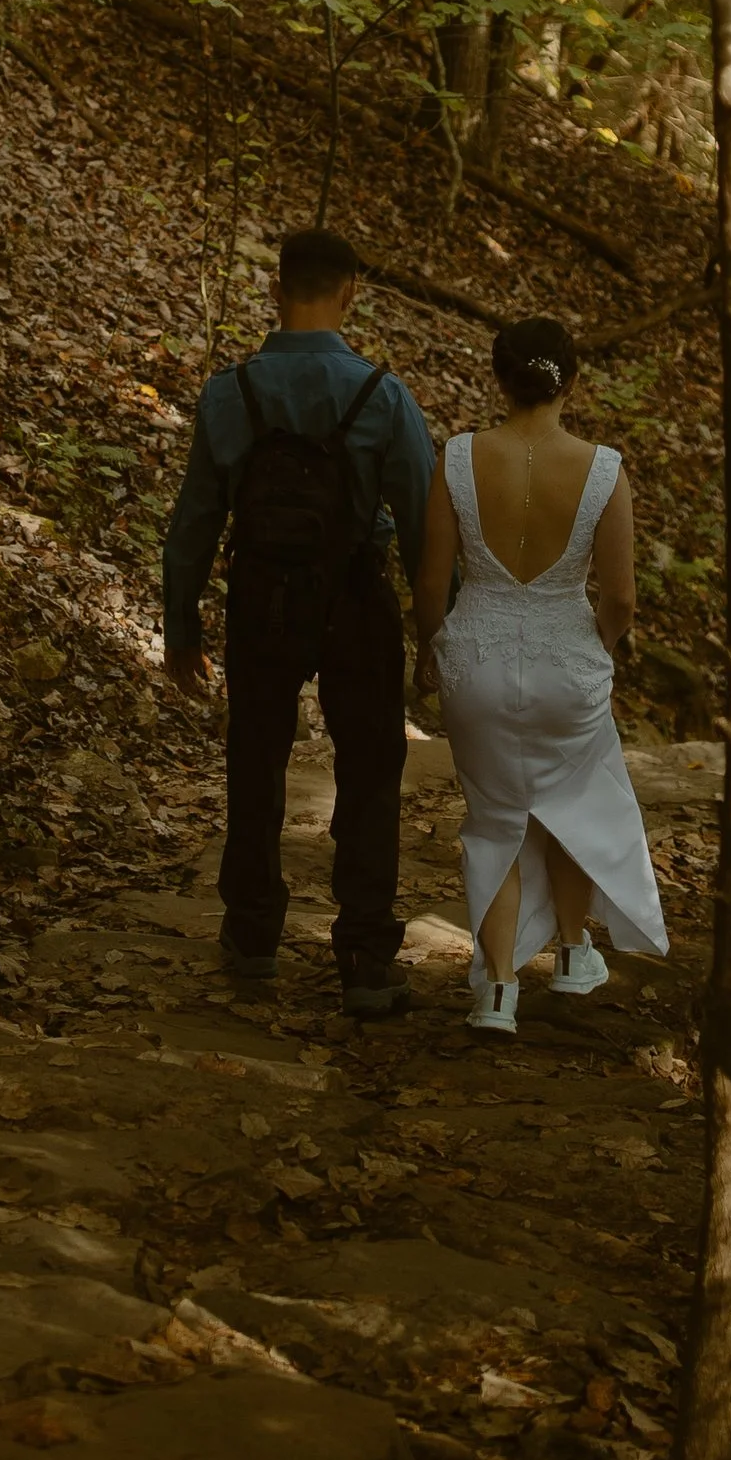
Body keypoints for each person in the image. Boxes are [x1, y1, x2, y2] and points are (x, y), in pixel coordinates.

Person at [161, 226, 435, 1022]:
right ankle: (365, 959)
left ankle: (251, 938)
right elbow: (422, 522)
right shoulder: (381, 395)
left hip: (260, 600)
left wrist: (183, 629)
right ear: (350, 292)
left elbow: (194, 522)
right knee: (371, 772)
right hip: (356, 601)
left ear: (275, 290)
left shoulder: (228, 393)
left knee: (256, 761)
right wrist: (434, 633)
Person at [413, 314, 668, 1037]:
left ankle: (495, 993)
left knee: (495, 820)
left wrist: (428, 650)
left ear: (499, 377)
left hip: (478, 662)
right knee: (574, 805)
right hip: (566, 664)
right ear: (571, 380)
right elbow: (619, 597)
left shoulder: (458, 458)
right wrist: (601, 648)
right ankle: (572, 953)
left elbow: (432, 582)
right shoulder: (604, 471)